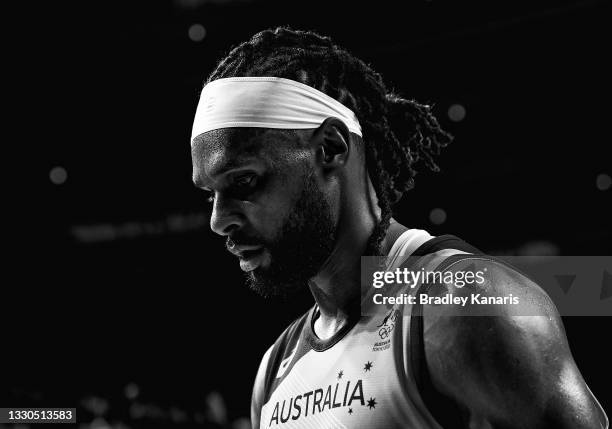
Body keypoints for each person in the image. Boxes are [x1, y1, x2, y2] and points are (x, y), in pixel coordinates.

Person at [190, 27, 608, 428]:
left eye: (243, 182)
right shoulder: (274, 371)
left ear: (330, 149)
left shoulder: (462, 304)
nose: (218, 219)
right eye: (210, 194)